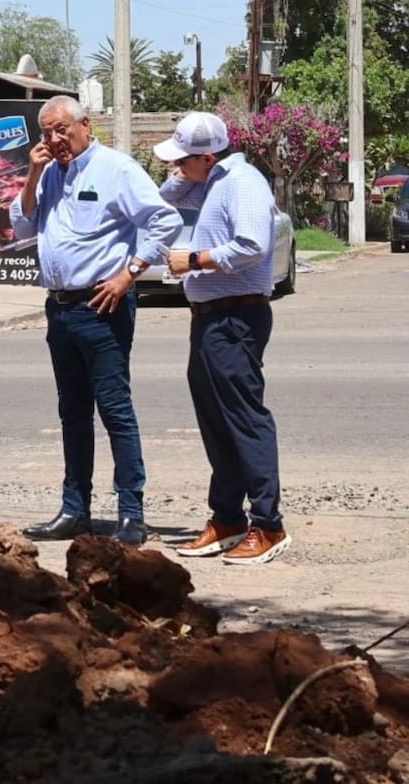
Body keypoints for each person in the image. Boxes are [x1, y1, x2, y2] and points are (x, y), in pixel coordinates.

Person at [9, 94, 183, 547]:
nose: (54, 139)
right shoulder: (48, 174)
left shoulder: (116, 168)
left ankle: (131, 513)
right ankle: (75, 509)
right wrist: (32, 173)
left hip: (101, 306)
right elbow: (23, 227)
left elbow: (164, 222)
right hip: (61, 308)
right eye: (46, 131)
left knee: (114, 410)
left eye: (61, 129)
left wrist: (129, 274)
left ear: (85, 124)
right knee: (72, 413)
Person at [154, 111, 290, 564]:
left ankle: (268, 525)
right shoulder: (212, 180)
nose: (177, 168)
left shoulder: (241, 182)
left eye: (183, 160)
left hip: (236, 317)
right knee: (217, 420)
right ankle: (227, 517)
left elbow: (251, 245)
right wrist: (182, 175)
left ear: (208, 156)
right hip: (212, 317)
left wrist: (193, 260)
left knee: (244, 419)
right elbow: (165, 198)